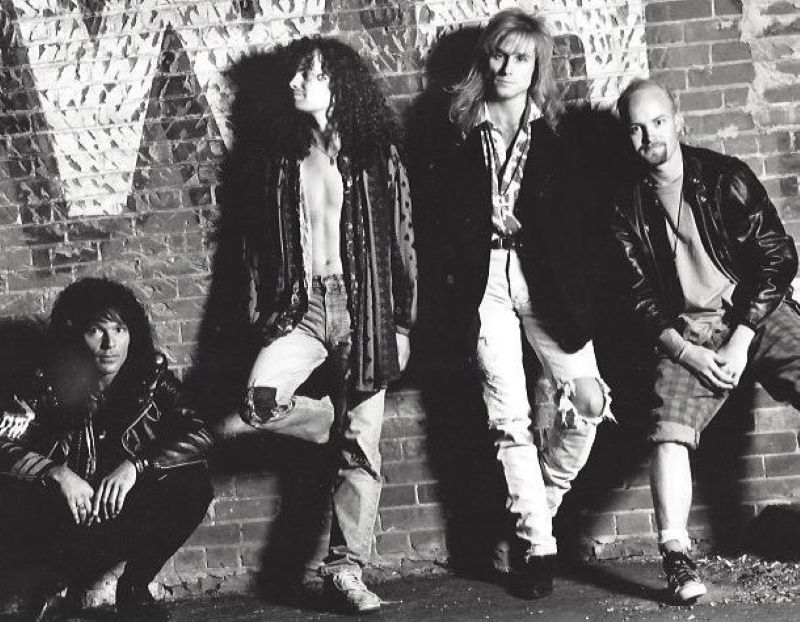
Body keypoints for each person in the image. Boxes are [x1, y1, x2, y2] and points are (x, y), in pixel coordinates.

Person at [222, 37, 417, 614]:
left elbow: (404, 242)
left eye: (308, 75)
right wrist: (260, 316)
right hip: (302, 308)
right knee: (259, 403)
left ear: (339, 84)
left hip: (366, 310)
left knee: (364, 448)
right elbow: (253, 251)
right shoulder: (279, 158)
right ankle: (330, 419)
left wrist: (403, 325)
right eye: (294, 75)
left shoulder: (377, 155)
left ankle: (346, 569)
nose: (295, 83)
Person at [612, 78, 800, 603]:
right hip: (687, 330)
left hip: (751, 311)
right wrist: (686, 351)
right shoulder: (623, 206)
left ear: (677, 121)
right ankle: (676, 557)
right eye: (636, 128)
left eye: (658, 122)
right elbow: (636, 299)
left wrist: (741, 338)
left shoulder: (725, 179)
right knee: (668, 432)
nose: (649, 136)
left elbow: (778, 257)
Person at [446, 8, 612, 600]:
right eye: (499, 53)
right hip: (484, 280)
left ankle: (538, 505)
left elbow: (583, 223)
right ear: (485, 58)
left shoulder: (558, 136)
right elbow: (440, 226)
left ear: (536, 66)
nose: (507, 67)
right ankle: (538, 547)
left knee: (588, 401)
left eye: (521, 57)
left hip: (547, 282)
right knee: (509, 421)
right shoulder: (459, 132)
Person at [0, 278, 214, 620]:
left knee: (193, 483)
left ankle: (134, 588)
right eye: (95, 331)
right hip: (65, 516)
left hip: (121, 514)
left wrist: (136, 467)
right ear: (75, 335)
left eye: (119, 329)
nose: (109, 344)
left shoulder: (151, 378)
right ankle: (51, 588)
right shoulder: (46, 384)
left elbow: (201, 432)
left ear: (132, 334)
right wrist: (55, 473)